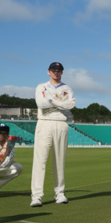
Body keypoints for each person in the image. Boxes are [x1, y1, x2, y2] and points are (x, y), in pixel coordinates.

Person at [31, 62, 76, 207]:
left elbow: (71, 105)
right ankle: (37, 196)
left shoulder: (67, 88)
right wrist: (60, 103)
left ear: (62, 72)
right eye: (54, 70)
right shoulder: (41, 87)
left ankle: (60, 193)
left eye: (59, 70)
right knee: (40, 161)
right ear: (48, 72)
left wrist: (51, 100)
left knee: (59, 160)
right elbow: (41, 104)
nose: (56, 72)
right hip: (44, 122)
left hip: (61, 123)